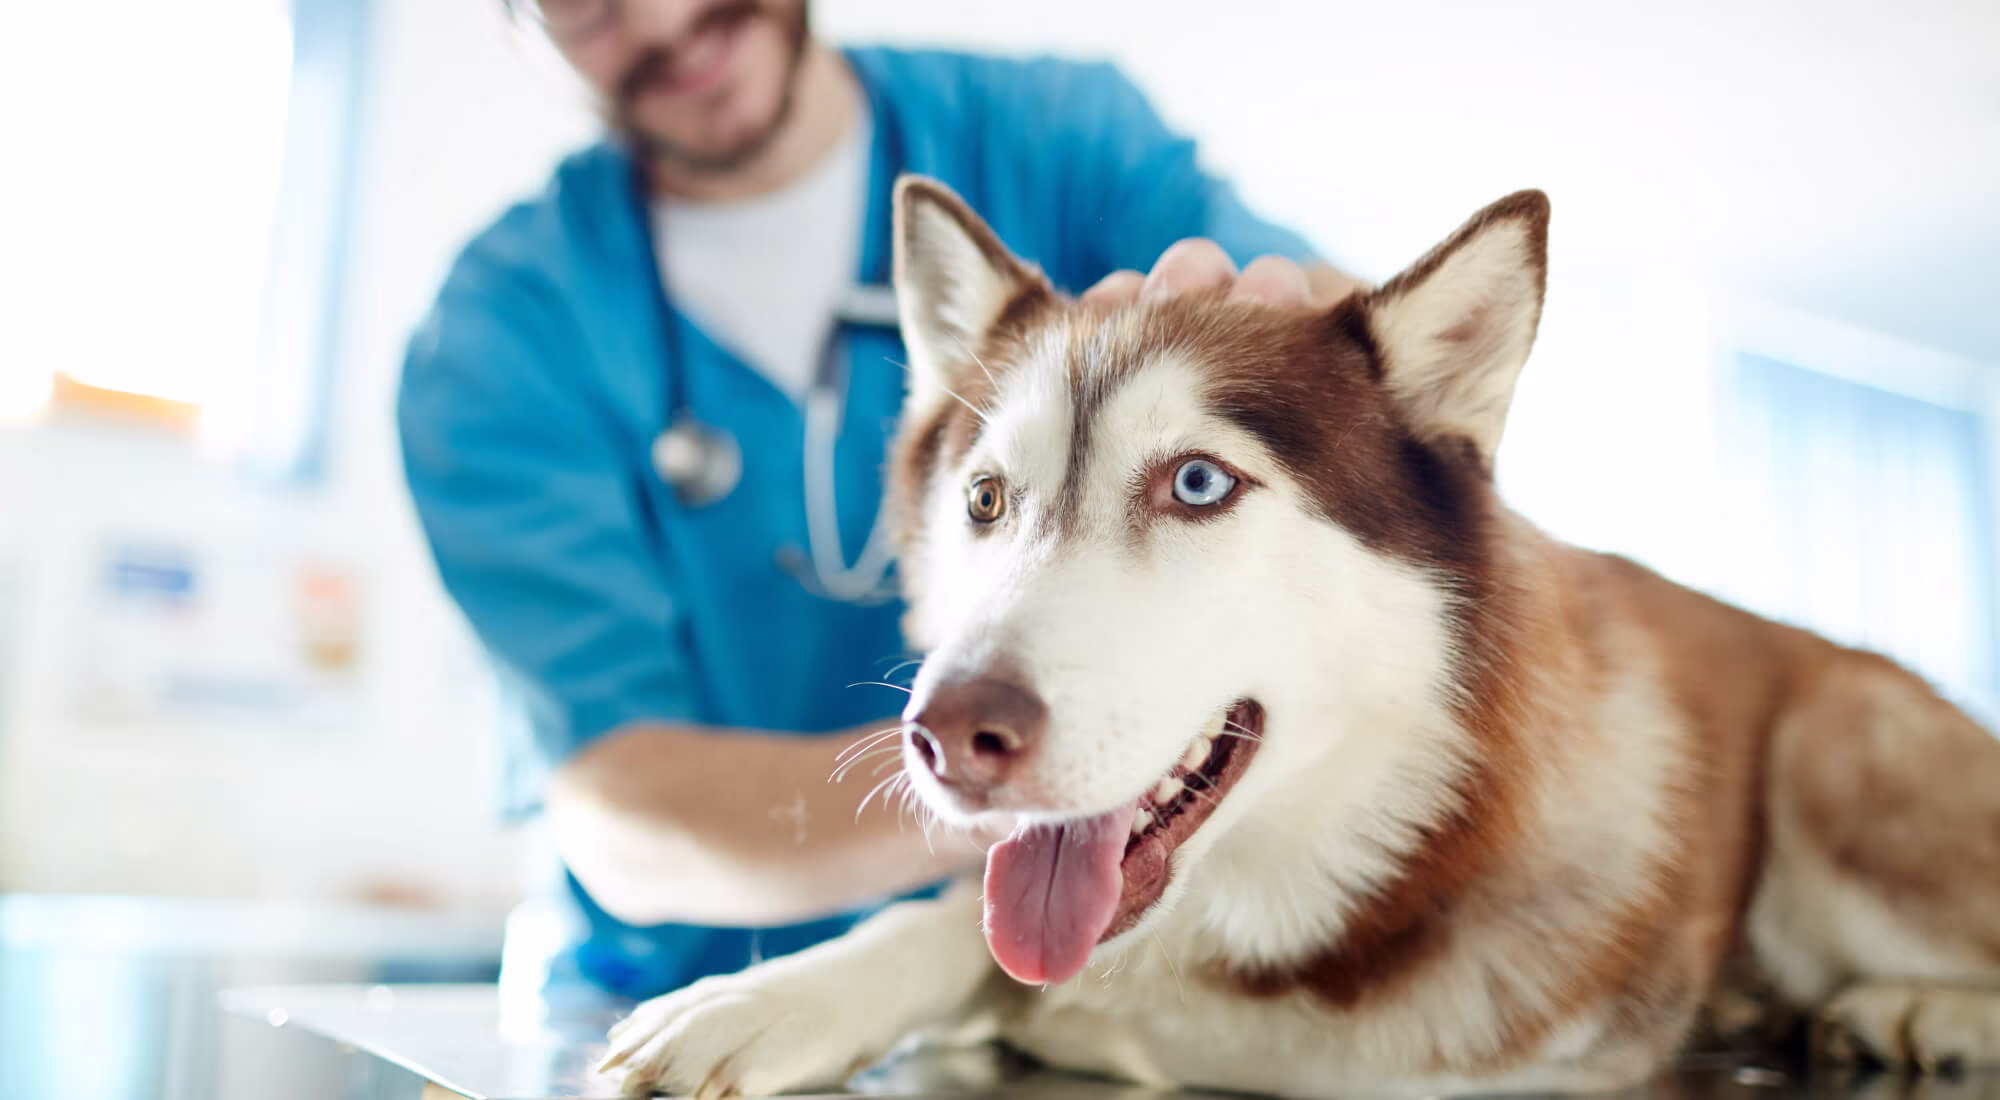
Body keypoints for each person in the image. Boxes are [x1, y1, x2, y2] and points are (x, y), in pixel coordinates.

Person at [396, 0, 1362, 1002]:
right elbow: (618, 812)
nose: (665, 18)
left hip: (1063, 1008)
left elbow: (1383, 374)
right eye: (584, 3)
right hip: (676, 1000)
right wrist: (1020, 768)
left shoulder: (1053, 140)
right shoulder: (506, 334)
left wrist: (1315, 336)